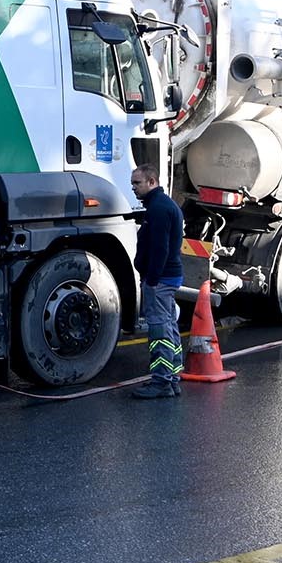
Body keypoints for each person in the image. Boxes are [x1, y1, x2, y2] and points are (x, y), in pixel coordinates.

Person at [128, 165, 185, 399]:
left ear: (152, 181)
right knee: (170, 326)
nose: (133, 188)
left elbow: (160, 249)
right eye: (132, 184)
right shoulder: (162, 205)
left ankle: (161, 381)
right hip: (167, 278)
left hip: (159, 280)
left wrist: (151, 279)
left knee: (159, 329)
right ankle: (172, 379)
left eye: (137, 183)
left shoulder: (158, 209)